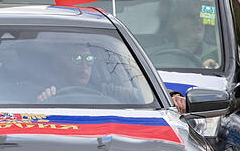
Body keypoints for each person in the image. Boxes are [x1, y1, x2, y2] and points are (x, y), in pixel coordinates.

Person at [37, 45, 187, 112]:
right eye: (76, 59)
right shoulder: (41, 90)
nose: (84, 65)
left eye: (89, 59)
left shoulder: (103, 89)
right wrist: (41, 103)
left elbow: (141, 93)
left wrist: (171, 96)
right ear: (58, 64)